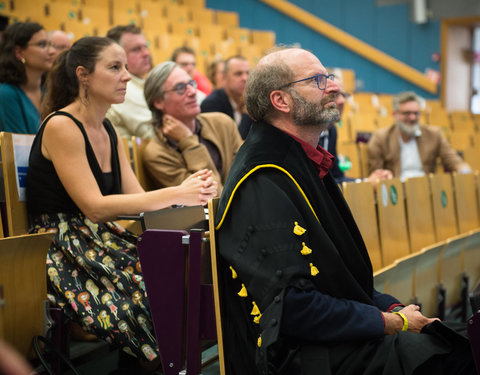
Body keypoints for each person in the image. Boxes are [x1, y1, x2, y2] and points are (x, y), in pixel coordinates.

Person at [213, 47, 476, 374]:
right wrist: (391, 321)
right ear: (281, 101)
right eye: (318, 80)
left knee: (462, 337)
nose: (334, 87)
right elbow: (292, 311)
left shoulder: (300, 161)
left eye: (330, 77)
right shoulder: (263, 179)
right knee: (459, 358)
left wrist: (395, 309)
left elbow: (345, 284)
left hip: (333, 338)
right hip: (301, 356)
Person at [26, 36, 217, 365]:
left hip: (97, 238)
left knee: (175, 272)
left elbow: (139, 201)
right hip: (60, 246)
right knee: (151, 288)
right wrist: (178, 192)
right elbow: (95, 208)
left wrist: (190, 197)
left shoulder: (108, 128)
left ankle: (167, 364)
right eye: (115, 67)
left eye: (126, 68)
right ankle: (162, 364)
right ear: (83, 74)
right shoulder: (61, 125)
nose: (127, 76)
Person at [142, 61, 242, 194]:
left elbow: (248, 180)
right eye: (180, 88)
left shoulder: (223, 123)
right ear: (159, 102)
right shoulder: (158, 154)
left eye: (191, 84)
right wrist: (189, 142)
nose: (193, 92)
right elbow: (210, 197)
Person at [368, 91, 471, 179]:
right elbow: (377, 173)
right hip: (396, 193)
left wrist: (466, 173)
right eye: (407, 113)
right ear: (395, 115)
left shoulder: (434, 135)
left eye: (416, 113)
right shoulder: (381, 138)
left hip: (426, 190)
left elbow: (454, 160)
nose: (412, 118)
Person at [319, 79, 392, 185]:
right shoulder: (309, 133)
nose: (342, 101)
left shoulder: (332, 131)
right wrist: (366, 183)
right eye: (335, 94)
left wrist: (367, 182)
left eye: (344, 95)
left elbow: (337, 177)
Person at [0, 22, 55, 134]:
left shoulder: (49, 89)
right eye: (42, 45)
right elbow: (19, 146)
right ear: (19, 52)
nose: (52, 51)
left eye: (51, 44)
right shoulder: (6, 94)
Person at [105, 25, 155, 139]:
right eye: (136, 49)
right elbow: (151, 133)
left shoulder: (143, 82)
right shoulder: (122, 87)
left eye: (145, 47)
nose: (146, 53)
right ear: (116, 55)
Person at [200, 55, 253, 139]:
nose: (245, 78)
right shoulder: (211, 104)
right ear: (224, 78)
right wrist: (247, 114)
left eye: (248, 73)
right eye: (238, 74)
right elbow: (230, 145)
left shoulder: (251, 99)